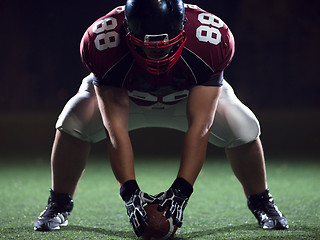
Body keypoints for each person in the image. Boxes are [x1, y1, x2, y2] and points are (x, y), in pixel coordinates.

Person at [34, 0, 289, 236]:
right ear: (127, 31)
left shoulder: (207, 41)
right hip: (128, 97)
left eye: (164, 47)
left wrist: (182, 190)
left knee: (242, 126)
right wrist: (129, 191)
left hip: (186, 97)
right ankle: (59, 203)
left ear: (183, 29)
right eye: (147, 46)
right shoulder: (104, 43)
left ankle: (261, 202)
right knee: (73, 120)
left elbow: (201, 126)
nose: (156, 56)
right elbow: (116, 128)